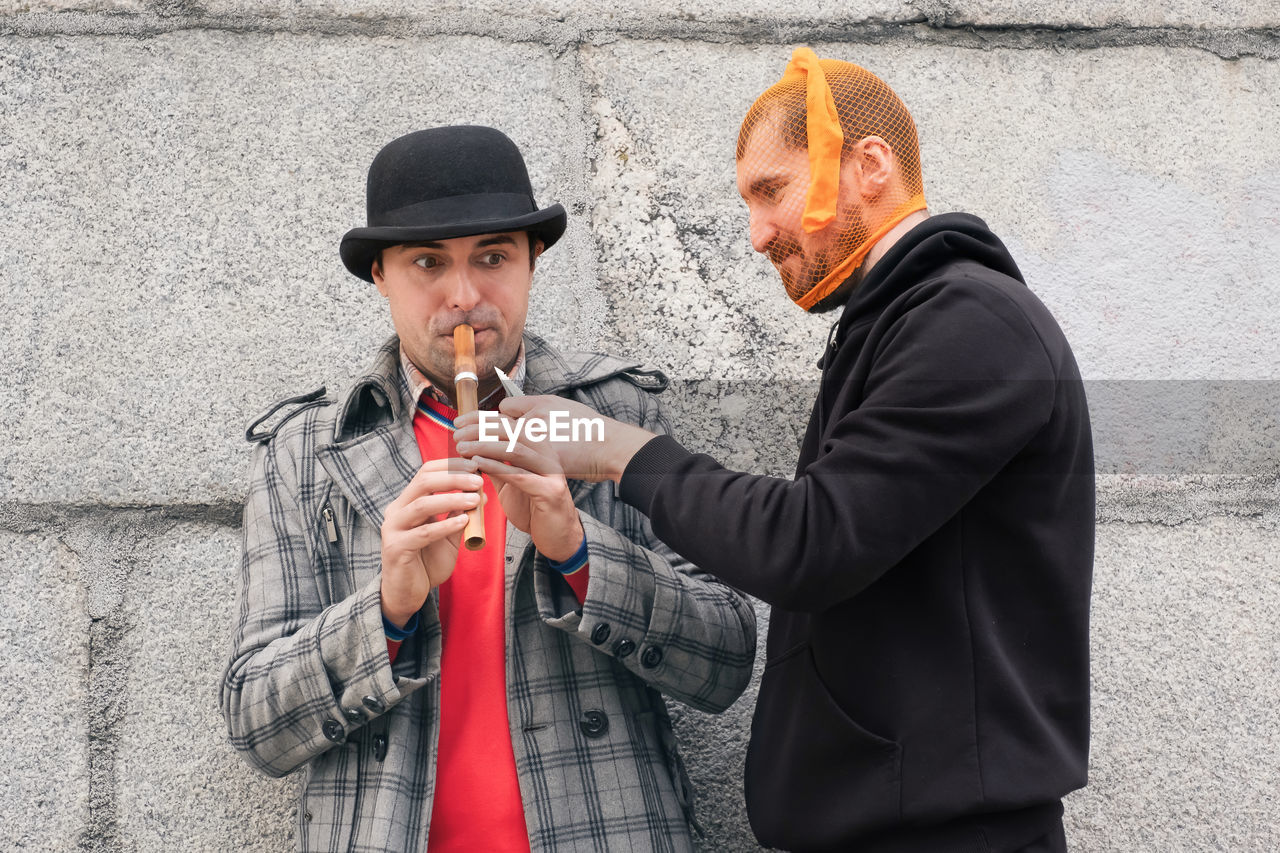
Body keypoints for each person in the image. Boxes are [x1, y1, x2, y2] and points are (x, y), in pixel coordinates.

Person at [456, 49, 1094, 852]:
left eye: (772, 191)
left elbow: (810, 540)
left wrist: (612, 447)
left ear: (869, 165)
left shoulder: (971, 324)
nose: (757, 234)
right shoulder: (903, 322)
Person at [219, 125, 756, 853]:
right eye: (428, 263)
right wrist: (387, 607)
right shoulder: (306, 451)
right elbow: (255, 720)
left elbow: (725, 659)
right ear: (380, 274)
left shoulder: (617, 414)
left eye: (494, 257)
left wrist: (577, 550)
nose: (465, 295)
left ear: (534, 260)